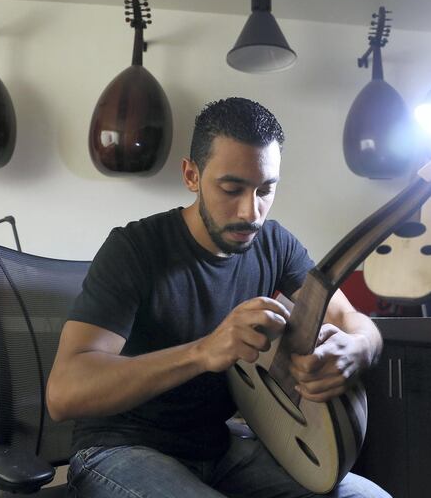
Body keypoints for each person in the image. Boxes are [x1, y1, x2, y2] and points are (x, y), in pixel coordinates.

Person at [47, 97, 390, 498]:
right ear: (192, 176)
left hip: (220, 449)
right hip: (119, 448)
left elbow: (352, 318)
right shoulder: (135, 248)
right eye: (231, 188)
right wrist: (202, 352)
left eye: (266, 190)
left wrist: (358, 349)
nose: (251, 212)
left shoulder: (275, 245)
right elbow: (64, 393)